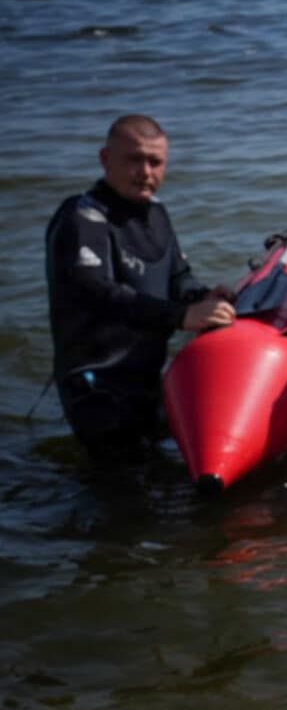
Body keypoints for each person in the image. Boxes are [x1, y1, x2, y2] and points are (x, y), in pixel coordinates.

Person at [44, 116, 235, 460]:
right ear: (105, 159)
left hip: (146, 383)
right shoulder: (80, 218)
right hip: (97, 389)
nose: (146, 172)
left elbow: (178, 277)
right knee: (129, 496)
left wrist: (203, 297)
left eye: (155, 162)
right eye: (134, 159)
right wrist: (180, 316)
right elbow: (95, 292)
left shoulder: (157, 214)